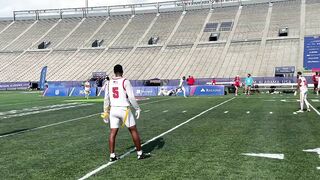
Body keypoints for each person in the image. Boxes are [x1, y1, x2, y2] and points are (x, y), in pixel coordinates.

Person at [103, 64, 149, 161]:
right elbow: (131, 98)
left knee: (112, 133)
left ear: (114, 72)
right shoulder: (125, 81)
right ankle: (140, 153)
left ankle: (112, 155)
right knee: (133, 130)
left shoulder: (109, 82)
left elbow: (106, 98)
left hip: (113, 110)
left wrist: (105, 111)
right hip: (124, 109)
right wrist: (137, 108)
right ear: (122, 71)